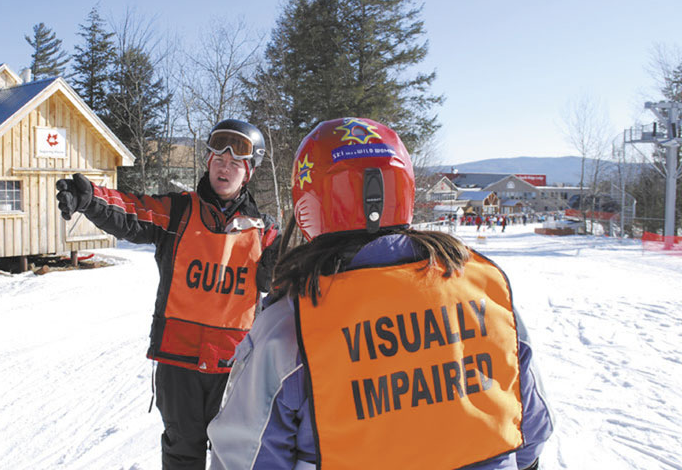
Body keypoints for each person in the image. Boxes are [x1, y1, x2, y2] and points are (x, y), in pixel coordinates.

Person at [208, 117, 553, 469]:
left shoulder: (291, 325)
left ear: (308, 204)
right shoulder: (488, 290)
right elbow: (531, 433)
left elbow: (246, 458)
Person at [55, 119, 280, 470]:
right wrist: (90, 199)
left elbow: (292, 274)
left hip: (234, 364)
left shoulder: (265, 231)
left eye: (235, 163)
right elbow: (130, 211)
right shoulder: (177, 212)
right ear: (208, 162)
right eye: (218, 160)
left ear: (247, 173)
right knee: (182, 452)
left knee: (236, 453)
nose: (225, 167)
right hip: (179, 360)